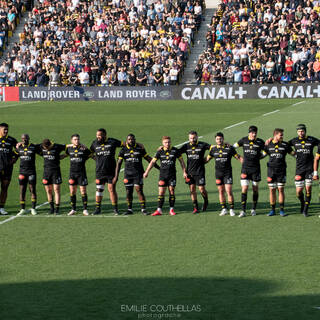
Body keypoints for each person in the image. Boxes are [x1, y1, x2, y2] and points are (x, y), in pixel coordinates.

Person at [143, 136, 187, 216]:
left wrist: (184, 172)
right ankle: (159, 210)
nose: (167, 144)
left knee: (171, 191)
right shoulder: (159, 151)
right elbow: (152, 162)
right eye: (166, 142)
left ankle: (171, 210)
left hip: (172, 175)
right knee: (161, 192)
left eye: (169, 142)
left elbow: (182, 162)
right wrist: (146, 172)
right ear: (162, 143)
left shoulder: (175, 150)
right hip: (163, 175)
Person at [113, 134, 155, 215]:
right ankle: (129, 209)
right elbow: (119, 164)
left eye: (132, 139)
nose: (131, 140)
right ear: (127, 140)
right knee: (128, 192)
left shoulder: (140, 148)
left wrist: (158, 167)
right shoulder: (123, 150)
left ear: (135, 140)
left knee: (139, 191)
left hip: (138, 174)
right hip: (128, 174)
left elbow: (148, 158)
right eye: (129, 139)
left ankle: (143, 209)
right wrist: (116, 176)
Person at [205, 132, 242, 217]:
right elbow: (207, 159)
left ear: (223, 139)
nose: (219, 140)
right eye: (217, 139)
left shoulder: (229, 148)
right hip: (218, 174)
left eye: (221, 138)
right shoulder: (213, 149)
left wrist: (245, 163)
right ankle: (224, 209)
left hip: (227, 173)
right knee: (221, 191)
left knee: (229, 191)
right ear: (215, 140)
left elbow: (238, 157)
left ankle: (232, 209)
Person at [233, 126, 266, 218]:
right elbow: (232, 147)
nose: (254, 134)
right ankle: (243, 210)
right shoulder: (243, 140)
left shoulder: (260, 142)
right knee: (244, 189)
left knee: (255, 189)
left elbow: (266, 151)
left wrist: (260, 157)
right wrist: (238, 157)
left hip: (256, 169)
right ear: (249, 133)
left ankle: (253, 209)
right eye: (252, 132)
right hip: (245, 169)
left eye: (255, 132)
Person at [90, 128, 123, 215]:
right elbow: (89, 152)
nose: (98, 137)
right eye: (97, 135)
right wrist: (96, 159)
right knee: (99, 190)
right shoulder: (94, 143)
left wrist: (138, 144)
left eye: (100, 135)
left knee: (111, 189)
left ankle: (115, 209)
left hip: (111, 171)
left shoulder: (112, 141)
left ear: (105, 135)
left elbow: (126, 145)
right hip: (99, 171)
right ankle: (98, 209)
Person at [289, 124, 319, 217]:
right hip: (299, 169)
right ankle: (302, 202)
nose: (300, 133)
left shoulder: (311, 139)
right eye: (299, 131)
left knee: (308, 189)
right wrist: (293, 154)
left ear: (305, 131)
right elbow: (285, 145)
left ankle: (305, 209)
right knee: (298, 191)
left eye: (302, 131)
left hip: (309, 169)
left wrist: (318, 153)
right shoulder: (294, 140)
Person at [264, 129, 295, 216]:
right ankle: (272, 210)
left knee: (281, 190)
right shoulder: (268, 144)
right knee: (272, 190)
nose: (282, 136)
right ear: (275, 135)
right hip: (271, 171)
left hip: (281, 171)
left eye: (282, 135)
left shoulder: (285, 145)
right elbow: (262, 155)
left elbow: (293, 154)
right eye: (281, 135)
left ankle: (281, 210)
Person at [179, 131, 210, 213]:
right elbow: (176, 152)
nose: (192, 139)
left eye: (194, 137)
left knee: (202, 189)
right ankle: (195, 208)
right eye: (191, 138)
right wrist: (184, 171)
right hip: (190, 172)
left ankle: (206, 201)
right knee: (192, 190)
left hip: (200, 171)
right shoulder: (186, 146)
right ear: (189, 138)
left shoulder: (202, 145)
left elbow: (214, 148)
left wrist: (208, 158)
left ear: (197, 137)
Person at [66, 134, 92, 216]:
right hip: (72, 173)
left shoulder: (83, 148)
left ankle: (85, 209)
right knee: (72, 191)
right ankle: (73, 209)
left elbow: (91, 154)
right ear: (71, 141)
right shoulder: (69, 149)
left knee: (83, 191)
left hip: (81, 173)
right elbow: (65, 155)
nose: (77, 141)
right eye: (75, 139)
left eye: (78, 139)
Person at [15, 134, 41, 215]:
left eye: (26, 138)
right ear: (21, 139)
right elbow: (14, 156)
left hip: (31, 172)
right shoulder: (19, 147)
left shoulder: (33, 147)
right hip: (22, 172)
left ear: (29, 139)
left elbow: (42, 150)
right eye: (23, 138)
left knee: (32, 189)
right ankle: (22, 209)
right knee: (22, 190)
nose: (24, 140)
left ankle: (33, 208)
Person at [39, 139, 67, 214]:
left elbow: (67, 147)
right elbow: (30, 146)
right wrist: (20, 143)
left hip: (56, 171)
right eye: (45, 148)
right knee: (48, 190)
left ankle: (57, 209)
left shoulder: (56, 146)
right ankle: (51, 209)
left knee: (56, 190)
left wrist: (65, 155)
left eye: (47, 148)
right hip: (46, 172)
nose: (46, 149)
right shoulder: (41, 146)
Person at [0, 123, 17, 215]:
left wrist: (14, 158)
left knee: (4, 187)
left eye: (7, 129)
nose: (6, 131)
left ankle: (1, 207)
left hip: (7, 168)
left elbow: (18, 149)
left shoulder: (11, 140)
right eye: (4, 129)